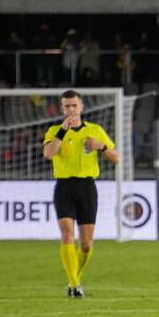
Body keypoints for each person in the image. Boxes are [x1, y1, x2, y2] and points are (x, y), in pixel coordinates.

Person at [42, 90, 121, 298]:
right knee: (67, 233)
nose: (70, 110)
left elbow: (116, 158)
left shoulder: (95, 130)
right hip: (64, 187)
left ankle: (72, 280)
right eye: (66, 106)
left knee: (86, 244)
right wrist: (61, 132)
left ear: (81, 107)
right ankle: (75, 285)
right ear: (62, 109)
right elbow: (48, 154)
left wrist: (100, 146)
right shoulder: (53, 131)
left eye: (74, 105)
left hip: (87, 188)